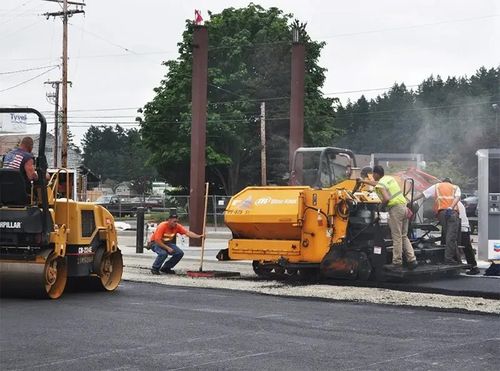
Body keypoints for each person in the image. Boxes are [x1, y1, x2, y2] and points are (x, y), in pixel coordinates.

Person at [359, 165, 418, 269]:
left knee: (397, 237)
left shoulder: (380, 185)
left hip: (395, 210)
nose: (372, 176)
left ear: (376, 174)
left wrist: (380, 207)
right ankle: (412, 260)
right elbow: (377, 184)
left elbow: (386, 198)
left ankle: (397, 262)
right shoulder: (389, 179)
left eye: (373, 174)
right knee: (404, 236)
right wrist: (364, 181)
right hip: (404, 208)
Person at [414, 177, 461, 264]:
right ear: (451, 182)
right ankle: (449, 259)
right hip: (452, 213)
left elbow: (423, 194)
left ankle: (455, 258)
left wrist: (411, 200)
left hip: (441, 214)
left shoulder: (437, 186)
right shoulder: (455, 187)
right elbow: (457, 198)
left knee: (448, 236)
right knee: (451, 237)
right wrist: (451, 207)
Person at [457, 201, 480, 275]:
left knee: (466, 247)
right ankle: (471, 265)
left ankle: (474, 266)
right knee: (465, 247)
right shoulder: (458, 203)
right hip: (463, 226)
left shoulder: (454, 203)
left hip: (461, 227)